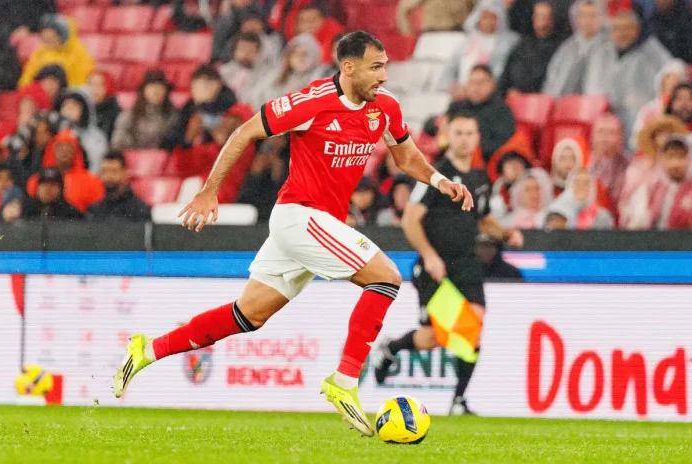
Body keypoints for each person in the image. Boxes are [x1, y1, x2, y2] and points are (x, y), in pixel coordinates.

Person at [113, 31, 473, 437]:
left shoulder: (384, 107)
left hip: (318, 225)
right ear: (348, 67)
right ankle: (345, 381)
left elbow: (405, 155)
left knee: (248, 315)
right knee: (386, 278)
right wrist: (209, 190)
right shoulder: (311, 102)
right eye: (375, 67)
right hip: (298, 216)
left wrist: (440, 180)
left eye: (385, 66)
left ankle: (147, 349)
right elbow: (244, 132)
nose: (384, 75)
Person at [372, 111, 523, 416]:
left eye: (470, 133)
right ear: (448, 137)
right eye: (459, 133)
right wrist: (429, 256)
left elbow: (482, 218)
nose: (464, 139)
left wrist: (506, 234)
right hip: (436, 267)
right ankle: (391, 348)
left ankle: (458, 401)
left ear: (477, 138)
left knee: (473, 324)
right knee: (432, 338)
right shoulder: (434, 176)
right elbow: (410, 219)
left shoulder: (480, 178)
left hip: (467, 263)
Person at [583, 10, 673, 142]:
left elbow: (670, 75)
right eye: (617, 29)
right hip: (607, 113)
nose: (622, 33)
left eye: (627, 28)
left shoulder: (652, 51)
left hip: (641, 114)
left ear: (637, 29)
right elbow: (592, 88)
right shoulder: (602, 52)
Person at [437, 0, 520, 98]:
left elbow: (507, 74)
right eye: (485, 17)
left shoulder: (510, 42)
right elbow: (449, 71)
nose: (488, 22)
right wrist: (453, 87)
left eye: (493, 17)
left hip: (493, 96)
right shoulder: (466, 42)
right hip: (463, 94)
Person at [618, 116, 688, 226]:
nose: (664, 137)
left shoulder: (687, 178)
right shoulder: (640, 168)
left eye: (668, 132)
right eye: (660, 133)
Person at [447, 65, 516, 162]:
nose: (476, 87)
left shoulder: (501, 110)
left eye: (481, 82)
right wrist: (437, 123)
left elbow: (503, 142)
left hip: (483, 161)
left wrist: (471, 146)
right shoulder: (458, 106)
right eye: (472, 82)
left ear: (492, 84)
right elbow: (435, 124)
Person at [26, 129, 104, 213]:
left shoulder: (92, 182)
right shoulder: (35, 181)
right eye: (60, 147)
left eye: (69, 147)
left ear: (76, 151)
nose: (64, 151)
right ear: (52, 149)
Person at [162, 65, 238, 151]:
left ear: (217, 85)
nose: (197, 89)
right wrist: (187, 139)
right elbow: (171, 140)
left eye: (203, 84)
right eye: (194, 85)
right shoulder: (188, 108)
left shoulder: (232, 109)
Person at [543, 0, 608, 96]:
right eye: (583, 15)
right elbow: (552, 81)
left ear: (601, 18)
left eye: (592, 15)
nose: (588, 20)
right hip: (564, 101)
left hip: (595, 101)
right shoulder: (567, 48)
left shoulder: (609, 47)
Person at [498, 2, 562, 96]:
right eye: (538, 16)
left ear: (552, 19)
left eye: (545, 16)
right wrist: (506, 91)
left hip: (541, 97)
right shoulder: (522, 43)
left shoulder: (560, 47)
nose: (542, 20)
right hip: (514, 95)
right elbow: (507, 72)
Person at [244, 33, 321, 110]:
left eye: (305, 54)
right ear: (288, 57)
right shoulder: (276, 75)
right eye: (296, 54)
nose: (300, 58)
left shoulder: (317, 78)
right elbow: (257, 96)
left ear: (314, 57)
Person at [18, 15, 95, 88]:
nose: (47, 45)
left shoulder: (80, 56)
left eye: (51, 39)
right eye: (44, 40)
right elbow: (26, 81)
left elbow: (80, 84)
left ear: (63, 37)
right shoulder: (39, 54)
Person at [111, 71, 177, 151]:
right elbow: (117, 143)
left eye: (160, 87)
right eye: (152, 87)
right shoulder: (128, 116)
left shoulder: (174, 116)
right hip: (133, 156)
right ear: (143, 91)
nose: (156, 91)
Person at [630, 60, 688, 151]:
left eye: (677, 78)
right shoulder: (649, 109)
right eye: (669, 78)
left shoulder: (686, 110)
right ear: (662, 82)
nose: (673, 82)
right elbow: (637, 138)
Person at [55, 88, 109, 174]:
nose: (69, 109)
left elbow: (96, 163)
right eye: (65, 105)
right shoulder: (54, 133)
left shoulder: (96, 137)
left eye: (75, 105)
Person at [87, 152, 151, 222]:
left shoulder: (138, 208)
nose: (109, 177)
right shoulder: (94, 209)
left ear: (124, 173)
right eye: (104, 172)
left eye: (114, 171)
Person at [235, 136, 287, 222]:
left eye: (279, 138)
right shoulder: (253, 155)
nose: (274, 141)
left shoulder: (287, 160)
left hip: (275, 212)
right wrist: (254, 175)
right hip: (250, 211)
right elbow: (242, 199)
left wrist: (277, 178)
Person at [549, 168, 615, 229]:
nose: (581, 186)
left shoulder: (603, 216)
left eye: (586, 183)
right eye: (577, 182)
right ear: (569, 186)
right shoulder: (556, 213)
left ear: (592, 187)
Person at [589, 114, 629, 208]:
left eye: (611, 133)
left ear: (620, 137)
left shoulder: (629, 167)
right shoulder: (581, 161)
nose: (604, 138)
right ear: (592, 136)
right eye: (600, 132)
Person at [219, 32, 263, 100]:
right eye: (242, 49)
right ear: (234, 51)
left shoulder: (264, 75)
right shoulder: (223, 72)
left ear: (258, 53)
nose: (246, 53)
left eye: (251, 50)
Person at [396, 0, 472, 34]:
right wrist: (408, 35)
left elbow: (474, 10)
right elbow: (403, 9)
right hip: (432, 34)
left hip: (459, 33)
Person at [88, 70, 121, 142]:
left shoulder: (115, 113)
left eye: (100, 85)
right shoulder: (82, 108)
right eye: (90, 84)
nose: (94, 89)